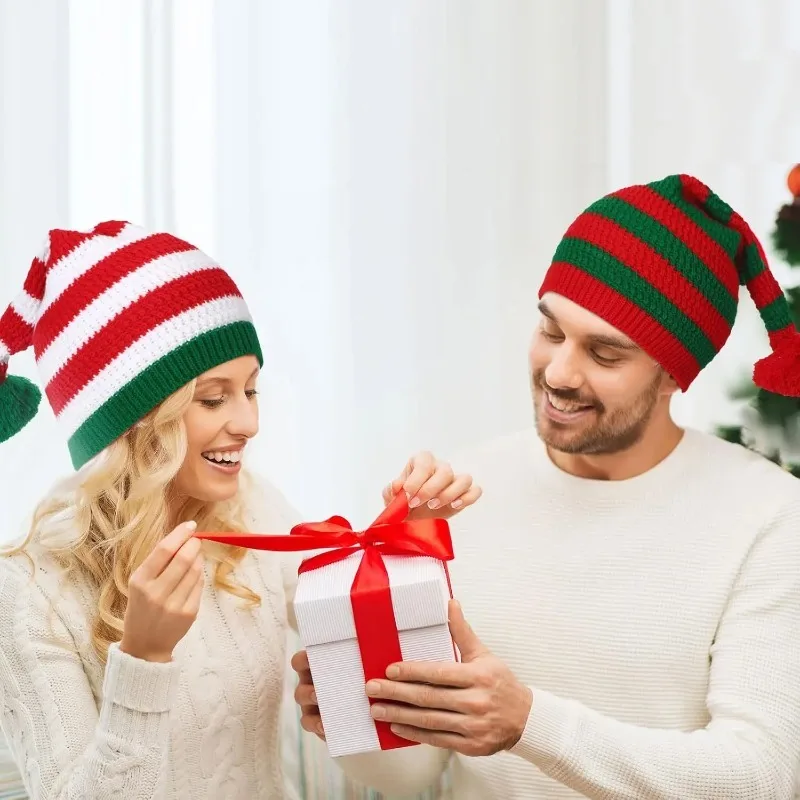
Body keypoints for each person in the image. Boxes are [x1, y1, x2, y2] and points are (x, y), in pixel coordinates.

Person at [294, 174, 800, 799]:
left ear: (674, 374)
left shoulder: (769, 517)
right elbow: (415, 777)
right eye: (551, 332)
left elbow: (760, 777)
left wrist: (529, 722)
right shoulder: (460, 495)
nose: (559, 373)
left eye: (605, 354)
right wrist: (355, 714)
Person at [0, 220, 481, 799]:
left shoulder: (252, 507)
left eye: (251, 390)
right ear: (132, 423)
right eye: (212, 398)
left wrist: (397, 548)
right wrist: (145, 659)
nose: (249, 423)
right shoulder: (29, 590)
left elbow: (368, 659)